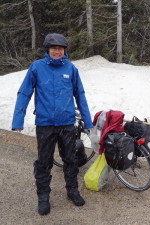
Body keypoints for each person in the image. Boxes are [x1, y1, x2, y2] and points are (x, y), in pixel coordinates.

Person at [11, 33, 93, 216]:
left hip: (67, 124)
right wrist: (18, 120)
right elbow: (24, 93)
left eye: (60, 48)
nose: (57, 51)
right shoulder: (36, 67)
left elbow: (80, 95)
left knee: (71, 160)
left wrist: (88, 121)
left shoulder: (71, 68)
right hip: (45, 124)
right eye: (53, 48)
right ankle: (43, 196)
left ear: (64, 50)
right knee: (44, 162)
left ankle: (72, 191)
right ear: (47, 50)